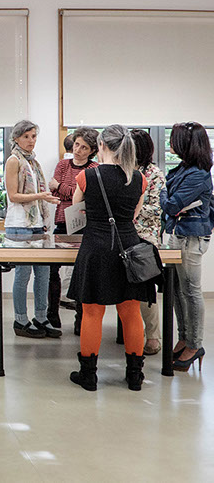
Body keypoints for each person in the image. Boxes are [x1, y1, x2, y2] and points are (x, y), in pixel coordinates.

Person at [68, 124, 155, 391]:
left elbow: (76, 208)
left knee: (92, 312)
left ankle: (89, 375)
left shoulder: (86, 176)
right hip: (129, 247)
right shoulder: (139, 179)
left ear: (102, 146)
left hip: (95, 247)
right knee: (130, 312)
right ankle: (135, 375)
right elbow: (133, 215)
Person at [161, 122, 213, 372]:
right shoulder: (185, 169)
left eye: (175, 139)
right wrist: (168, 199)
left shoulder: (198, 174)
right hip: (179, 233)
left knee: (191, 291)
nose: (171, 143)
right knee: (177, 290)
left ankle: (195, 344)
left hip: (190, 237)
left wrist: (162, 193)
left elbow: (171, 204)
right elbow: (173, 204)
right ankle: (184, 338)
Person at [4, 120, 61, 338]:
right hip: (19, 225)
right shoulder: (14, 160)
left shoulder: (33, 162)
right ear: (16, 138)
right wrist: (41, 196)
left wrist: (45, 200)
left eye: (34, 136)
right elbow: (13, 195)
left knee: (43, 273)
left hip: (37, 224)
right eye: (26, 136)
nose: (31, 141)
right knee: (23, 274)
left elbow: (38, 194)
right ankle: (20, 320)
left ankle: (41, 317)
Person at [47, 127, 99, 330]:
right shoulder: (62, 165)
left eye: (84, 147)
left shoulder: (94, 168)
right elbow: (53, 192)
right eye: (77, 145)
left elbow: (86, 195)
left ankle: (81, 318)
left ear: (92, 151)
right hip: (62, 222)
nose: (78, 150)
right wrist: (71, 192)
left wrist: (61, 187)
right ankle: (52, 314)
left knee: (82, 272)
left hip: (84, 225)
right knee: (52, 270)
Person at [132, 129, 165, 356]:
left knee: (145, 288)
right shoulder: (124, 170)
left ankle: (153, 336)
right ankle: (131, 334)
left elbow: (156, 208)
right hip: (123, 234)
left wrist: (130, 209)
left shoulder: (154, 174)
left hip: (145, 236)